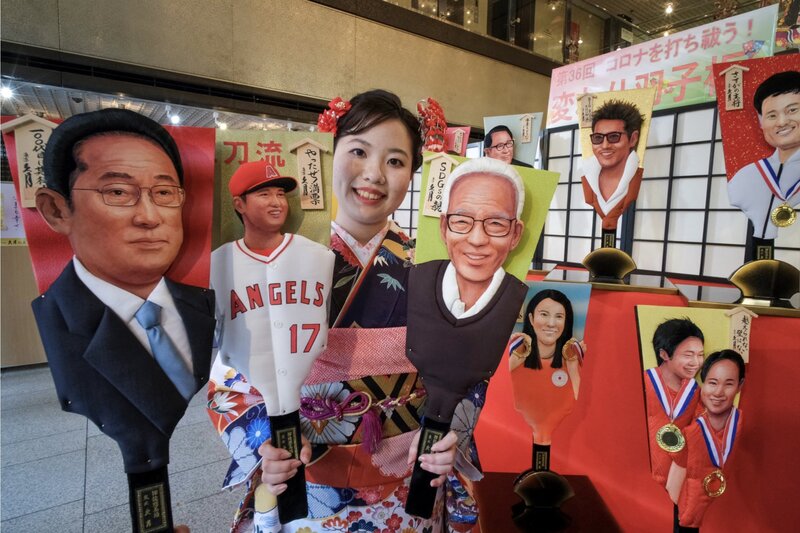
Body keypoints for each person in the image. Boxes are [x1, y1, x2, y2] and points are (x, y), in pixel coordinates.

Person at [207, 90, 473, 532]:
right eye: (358, 151)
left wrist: (451, 434)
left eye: (395, 161)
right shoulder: (273, 257)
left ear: (413, 174)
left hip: (407, 472)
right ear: (330, 154)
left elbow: (466, 368)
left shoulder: (430, 265)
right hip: (304, 470)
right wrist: (263, 447)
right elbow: (229, 372)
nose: (374, 174)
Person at [32, 108, 215, 533]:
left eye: (166, 193)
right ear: (57, 210)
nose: (150, 216)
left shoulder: (204, 306)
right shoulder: (61, 318)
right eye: (117, 192)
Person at [404, 157, 529, 515]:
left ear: (516, 233)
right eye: (462, 221)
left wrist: (457, 434)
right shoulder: (413, 281)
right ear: (443, 227)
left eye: (496, 225)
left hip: (455, 465)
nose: (477, 239)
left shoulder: (522, 306)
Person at [667, 350, 745, 530]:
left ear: (740, 386)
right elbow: (674, 475)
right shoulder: (691, 423)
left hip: (712, 500)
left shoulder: (737, 420)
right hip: (682, 501)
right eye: (712, 383)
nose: (718, 392)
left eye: (729, 384)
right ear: (703, 383)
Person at [508, 289, 585, 470]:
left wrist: (573, 366)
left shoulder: (573, 356)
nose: (551, 323)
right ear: (531, 318)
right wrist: (513, 359)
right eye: (544, 314)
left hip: (562, 447)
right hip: (514, 443)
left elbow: (578, 403)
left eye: (559, 317)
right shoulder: (516, 351)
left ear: (566, 322)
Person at [728, 71, 800, 241]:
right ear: (761, 123)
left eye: (792, 110)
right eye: (772, 115)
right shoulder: (745, 177)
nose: (781, 122)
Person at [643, 318, 705, 487]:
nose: (696, 363)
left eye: (700, 355)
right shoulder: (643, 383)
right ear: (664, 354)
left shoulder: (696, 391)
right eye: (688, 355)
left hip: (677, 482)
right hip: (640, 477)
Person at [581, 100, 646, 231]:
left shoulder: (642, 180)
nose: (605, 145)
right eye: (598, 138)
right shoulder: (587, 178)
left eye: (614, 137)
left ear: (633, 139)